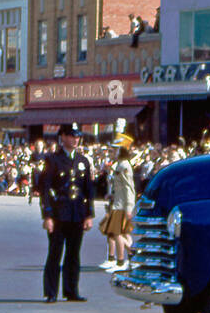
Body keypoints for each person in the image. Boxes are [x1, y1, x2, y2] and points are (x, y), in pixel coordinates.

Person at [37, 123, 95, 303]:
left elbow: (88, 191)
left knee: (73, 254)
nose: (76, 139)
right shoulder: (52, 160)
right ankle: (51, 292)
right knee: (55, 253)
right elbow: (45, 189)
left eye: (77, 136)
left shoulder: (83, 161)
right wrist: (47, 216)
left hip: (76, 214)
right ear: (62, 137)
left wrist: (88, 215)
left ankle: (71, 290)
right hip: (58, 214)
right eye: (71, 135)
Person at [100, 139, 136, 271]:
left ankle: (121, 262)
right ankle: (129, 256)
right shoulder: (120, 164)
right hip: (117, 202)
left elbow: (128, 188)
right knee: (117, 233)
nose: (113, 152)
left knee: (117, 233)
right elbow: (119, 187)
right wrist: (112, 195)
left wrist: (129, 207)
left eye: (116, 149)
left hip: (121, 205)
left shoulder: (124, 166)